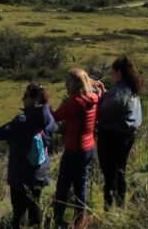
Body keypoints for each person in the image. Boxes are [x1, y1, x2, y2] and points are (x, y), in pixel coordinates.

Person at [0, 83, 56, 229]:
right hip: (40, 171)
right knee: (35, 206)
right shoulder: (49, 118)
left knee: (18, 213)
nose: (23, 99)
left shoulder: (22, 120)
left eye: (25, 96)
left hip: (21, 174)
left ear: (35, 99)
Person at [51, 68, 99, 228]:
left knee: (63, 186)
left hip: (74, 149)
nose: (66, 83)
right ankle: (79, 219)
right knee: (80, 185)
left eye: (69, 81)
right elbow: (95, 91)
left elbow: (55, 117)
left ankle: (57, 221)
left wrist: (44, 110)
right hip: (88, 148)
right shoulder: (93, 97)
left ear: (77, 83)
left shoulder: (76, 101)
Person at [95, 56, 143, 209]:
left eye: (113, 71)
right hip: (127, 136)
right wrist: (105, 94)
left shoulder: (118, 92)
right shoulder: (131, 88)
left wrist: (98, 97)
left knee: (110, 176)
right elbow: (118, 104)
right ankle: (121, 206)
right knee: (121, 170)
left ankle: (108, 210)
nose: (111, 73)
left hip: (112, 137)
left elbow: (101, 114)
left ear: (119, 72)